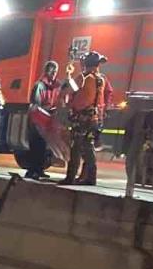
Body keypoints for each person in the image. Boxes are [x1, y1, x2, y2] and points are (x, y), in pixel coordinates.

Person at [59, 51, 109, 186]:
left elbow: (66, 91)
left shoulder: (83, 78)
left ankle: (70, 177)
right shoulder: (101, 80)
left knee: (75, 148)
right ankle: (91, 178)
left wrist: (68, 77)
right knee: (88, 148)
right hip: (93, 119)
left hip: (81, 119)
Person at [25, 60, 61, 180]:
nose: (54, 73)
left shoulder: (56, 86)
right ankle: (32, 170)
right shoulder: (39, 85)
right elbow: (36, 105)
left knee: (43, 146)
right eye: (51, 71)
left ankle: (39, 170)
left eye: (55, 71)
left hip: (47, 120)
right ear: (46, 71)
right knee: (35, 145)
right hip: (38, 119)